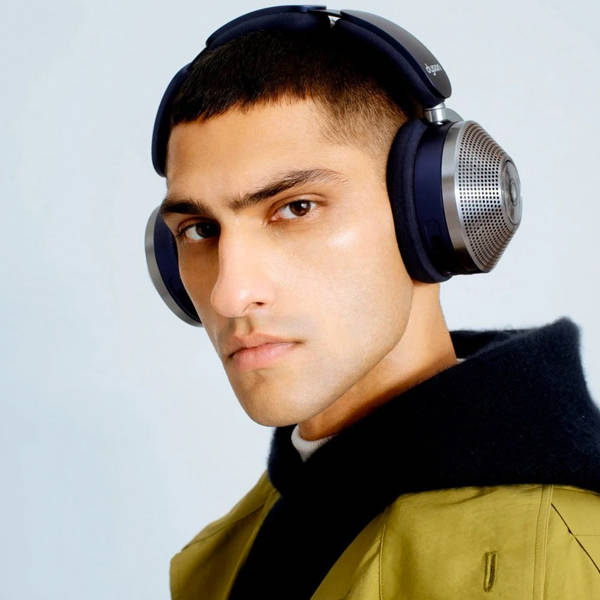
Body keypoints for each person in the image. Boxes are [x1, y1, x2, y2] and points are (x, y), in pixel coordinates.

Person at [144, 6, 600, 599]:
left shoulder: (556, 553)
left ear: (431, 215)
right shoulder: (228, 554)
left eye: (297, 208)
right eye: (200, 230)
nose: (230, 294)